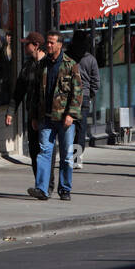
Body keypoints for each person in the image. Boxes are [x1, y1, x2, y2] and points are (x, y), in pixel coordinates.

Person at [28, 29, 83, 202]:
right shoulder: (42, 65)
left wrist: (71, 115)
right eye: (48, 42)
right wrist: (34, 117)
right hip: (46, 118)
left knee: (67, 155)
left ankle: (65, 189)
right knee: (44, 152)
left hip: (64, 119)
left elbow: (77, 92)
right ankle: (42, 189)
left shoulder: (70, 65)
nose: (49, 45)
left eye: (52, 43)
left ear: (60, 44)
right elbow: (36, 93)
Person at [5, 32, 46, 186]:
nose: (24, 46)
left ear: (36, 46)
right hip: (32, 115)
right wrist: (10, 111)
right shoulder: (28, 66)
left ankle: (46, 184)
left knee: (46, 151)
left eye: (26, 44)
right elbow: (19, 91)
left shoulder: (48, 64)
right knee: (34, 151)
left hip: (47, 116)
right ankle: (40, 183)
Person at [69, 31, 101, 167]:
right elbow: (96, 81)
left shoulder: (67, 56)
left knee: (69, 128)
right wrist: (91, 94)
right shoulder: (91, 59)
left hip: (69, 97)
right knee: (81, 129)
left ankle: (69, 157)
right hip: (85, 96)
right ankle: (77, 159)